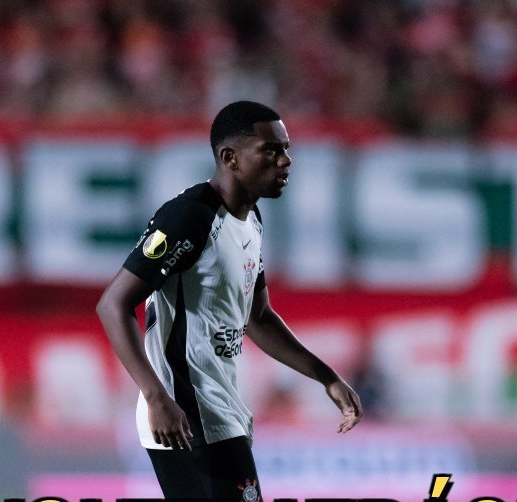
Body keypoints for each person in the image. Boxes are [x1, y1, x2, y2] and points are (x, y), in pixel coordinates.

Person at [97, 101, 363, 501]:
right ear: (229, 157)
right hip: (186, 411)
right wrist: (156, 397)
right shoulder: (190, 216)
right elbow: (113, 304)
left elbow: (259, 317)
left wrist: (327, 377)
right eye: (271, 151)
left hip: (218, 407)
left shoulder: (251, 219)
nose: (285, 160)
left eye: (286, 149)